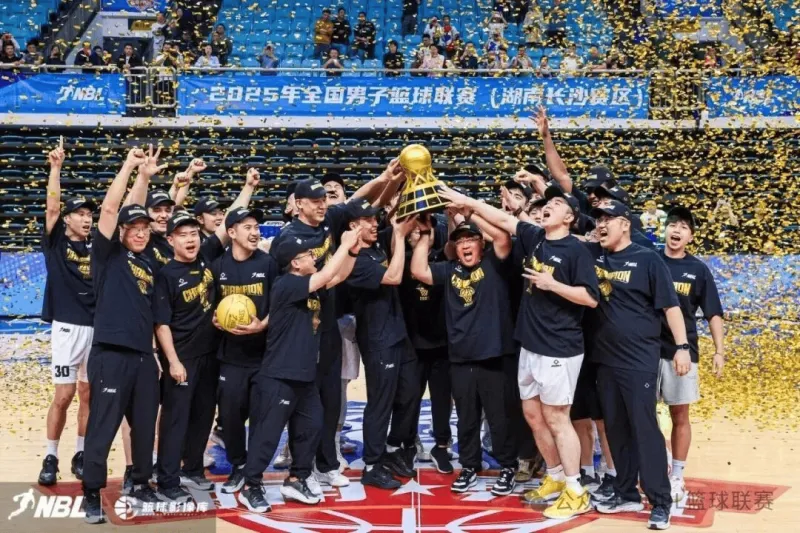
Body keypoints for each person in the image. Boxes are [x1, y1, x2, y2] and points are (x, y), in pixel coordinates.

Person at [269, 168, 405, 492]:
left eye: (323, 199)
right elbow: (318, 279)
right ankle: (300, 469)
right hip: (300, 329)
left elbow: (361, 200)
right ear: (298, 204)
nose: (322, 204)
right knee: (306, 405)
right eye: (315, 200)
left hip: (327, 323)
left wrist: (384, 176)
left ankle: (326, 464)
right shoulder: (288, 239)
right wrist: (347, 249)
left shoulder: (329, 219)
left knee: (331, 400)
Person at [237, 227, 365, 512]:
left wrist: (353, 251)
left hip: (305, 375)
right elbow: (327, 274)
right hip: (280, 374)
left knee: (312, 426)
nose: (313, 257)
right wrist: (344, 244)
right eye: (308, 254)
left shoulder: (308, 284)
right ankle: (250, 486)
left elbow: (338, 276)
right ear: (295, 263)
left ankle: (297, 479)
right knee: (268, 435)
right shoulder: (287, 284)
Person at [585, 200, 691, 530]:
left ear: (625, 224)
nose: (601, 224)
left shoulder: (647, 259)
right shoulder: (595, 255)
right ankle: (626, 492)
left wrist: (682, 347)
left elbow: (670, 307)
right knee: (616, 429)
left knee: (644, 429)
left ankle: (660, 501)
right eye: (598, 219)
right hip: (605, 360)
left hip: (638, 360)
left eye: (608, 219)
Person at [154, 170, 259, 502]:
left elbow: (229, 223)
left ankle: (192, 469)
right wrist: (172, 362)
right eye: (182, 235)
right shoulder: (165, 274)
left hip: (212, 354)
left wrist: (247, 187)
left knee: (202, 417)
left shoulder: (206, 259)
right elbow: (161, 324)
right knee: (176, 420)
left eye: (193, 234)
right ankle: (167, 479)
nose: (190, 239)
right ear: (170, 240)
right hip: (182, 358)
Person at [81, 146, 168, 524]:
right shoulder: (107, 254)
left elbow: (135, 209)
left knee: (145, 427)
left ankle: (140, 482)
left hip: (143, 357)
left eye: (145, 228)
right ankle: (91, 493)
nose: (141, 233)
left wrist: (145, 178)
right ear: (121, 232)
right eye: (134, 229)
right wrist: (130, 167)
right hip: (111, 354)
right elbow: (110, 209)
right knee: (102, 427)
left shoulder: (150, 262)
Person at [411, 206, 519, 497]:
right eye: (459, 242)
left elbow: (502, 237)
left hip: (494, 355)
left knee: (499, 418)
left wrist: (469, 214)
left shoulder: (495, 263)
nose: (465, 245)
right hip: (460, 356)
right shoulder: (450, 270)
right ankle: (470, 465)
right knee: (466, 418)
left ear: (481, 243)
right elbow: (418, 270)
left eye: (470, 239)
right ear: (454, 249)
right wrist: (425, 235)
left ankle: (508, 466)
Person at [345, 202, 419, 490]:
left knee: (410, 393)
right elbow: (393, 277)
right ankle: (372, 465)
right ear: (353, 226)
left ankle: (391, 448)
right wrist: (398, 236)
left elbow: (400, 218)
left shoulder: (376, 247)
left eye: (375, 219)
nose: (375, 224)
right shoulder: (355, 260)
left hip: (398, 333)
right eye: (367, 220)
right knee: (380, 402)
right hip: (378, 339)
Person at [38, 139, 94, 487]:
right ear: (68, 219)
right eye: (81, 214)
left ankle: (81, 453)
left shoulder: (97, 247)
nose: (87, 219)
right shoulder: (56, 243)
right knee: (63, 396)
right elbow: (51, 208)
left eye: (90, 215)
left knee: (88, 395)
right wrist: (55, 168)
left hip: (95, 328)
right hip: (66, 329)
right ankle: (50, 455)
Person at [211, 205, 279, 494]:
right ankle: (238, 465)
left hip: (264, 356)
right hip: (230, 356)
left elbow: (281, 303)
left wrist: (263, 325)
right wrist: (214, 319)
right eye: (247, 227)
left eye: (256, 227)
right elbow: (209, 306)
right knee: (230, 417)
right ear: (231, 232)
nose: (255, 233)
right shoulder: (217, 266)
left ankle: (255, 473)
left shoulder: (269, 263)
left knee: (262, 418)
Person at [659, 206, 725, 502]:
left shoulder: (698, 270)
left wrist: (719, 351)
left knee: (680, 414)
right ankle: (657, 459)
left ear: (691, 237)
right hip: (645, 349)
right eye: (673, 224)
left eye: (684, 227)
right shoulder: (650, 260)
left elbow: (713, 313)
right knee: (641, 413)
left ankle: (677, 475)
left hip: (682, 352)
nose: (677, 230)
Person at [399, 215, 453, 473]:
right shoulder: (400, 261)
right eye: (414, 232)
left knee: (442, 399)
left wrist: (452, 217)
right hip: (411, 345)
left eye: (425, 232)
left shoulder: (444, 261)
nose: (419, 235)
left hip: (442, 344)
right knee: (409, 398)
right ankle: (408, 443)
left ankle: (441, 446)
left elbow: (453, 245)